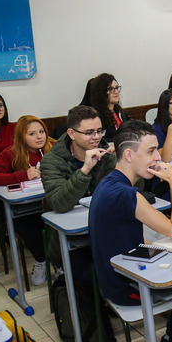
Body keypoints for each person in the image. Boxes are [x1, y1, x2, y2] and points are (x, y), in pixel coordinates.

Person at [89, 120, 172, 342]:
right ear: (129, 154)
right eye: (151, 151)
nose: (158, 158)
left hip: (124, 271)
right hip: (128, 286)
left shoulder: (110, 182)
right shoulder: (126, 194)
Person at [41, 105, 116, 278]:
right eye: (89, 132)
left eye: (99, 131)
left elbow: (127, 192)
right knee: (87, 277)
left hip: (105, 228)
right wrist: (85, 170)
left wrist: (128, 166)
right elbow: (59, 203)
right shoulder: (51, 162)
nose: (96, 137)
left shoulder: (107, 154)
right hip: (70, 239)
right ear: (72, 134)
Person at [0, 116, 54, 285]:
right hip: (24, 207)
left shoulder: (52, 148)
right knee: (31, 226)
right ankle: (41, 260)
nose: (39, 137)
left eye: (41, 131)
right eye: (32, 133)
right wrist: (23, 175)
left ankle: (59, 262)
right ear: (21, 136)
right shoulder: (11, 153)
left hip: (50, 200)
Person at [89, 73, 131, 141]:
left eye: (117, 88)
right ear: (101, 92)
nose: (116, 92)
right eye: (111, 89)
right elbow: (101, 140)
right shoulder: (96, 116)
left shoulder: (119, 111)